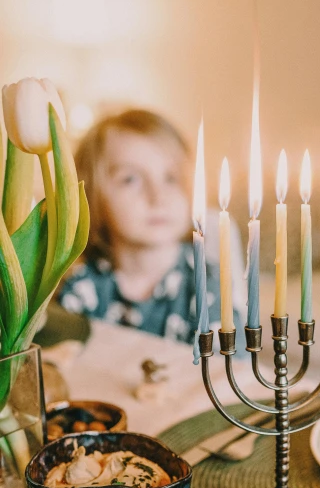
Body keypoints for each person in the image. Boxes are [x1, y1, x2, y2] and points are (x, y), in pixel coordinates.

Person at [58, 109, 246, 344]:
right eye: (130, 179)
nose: (158, 197)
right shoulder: (82, 286)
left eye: (171, 178)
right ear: (91, 195)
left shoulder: (208, 285)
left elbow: (229, 371)